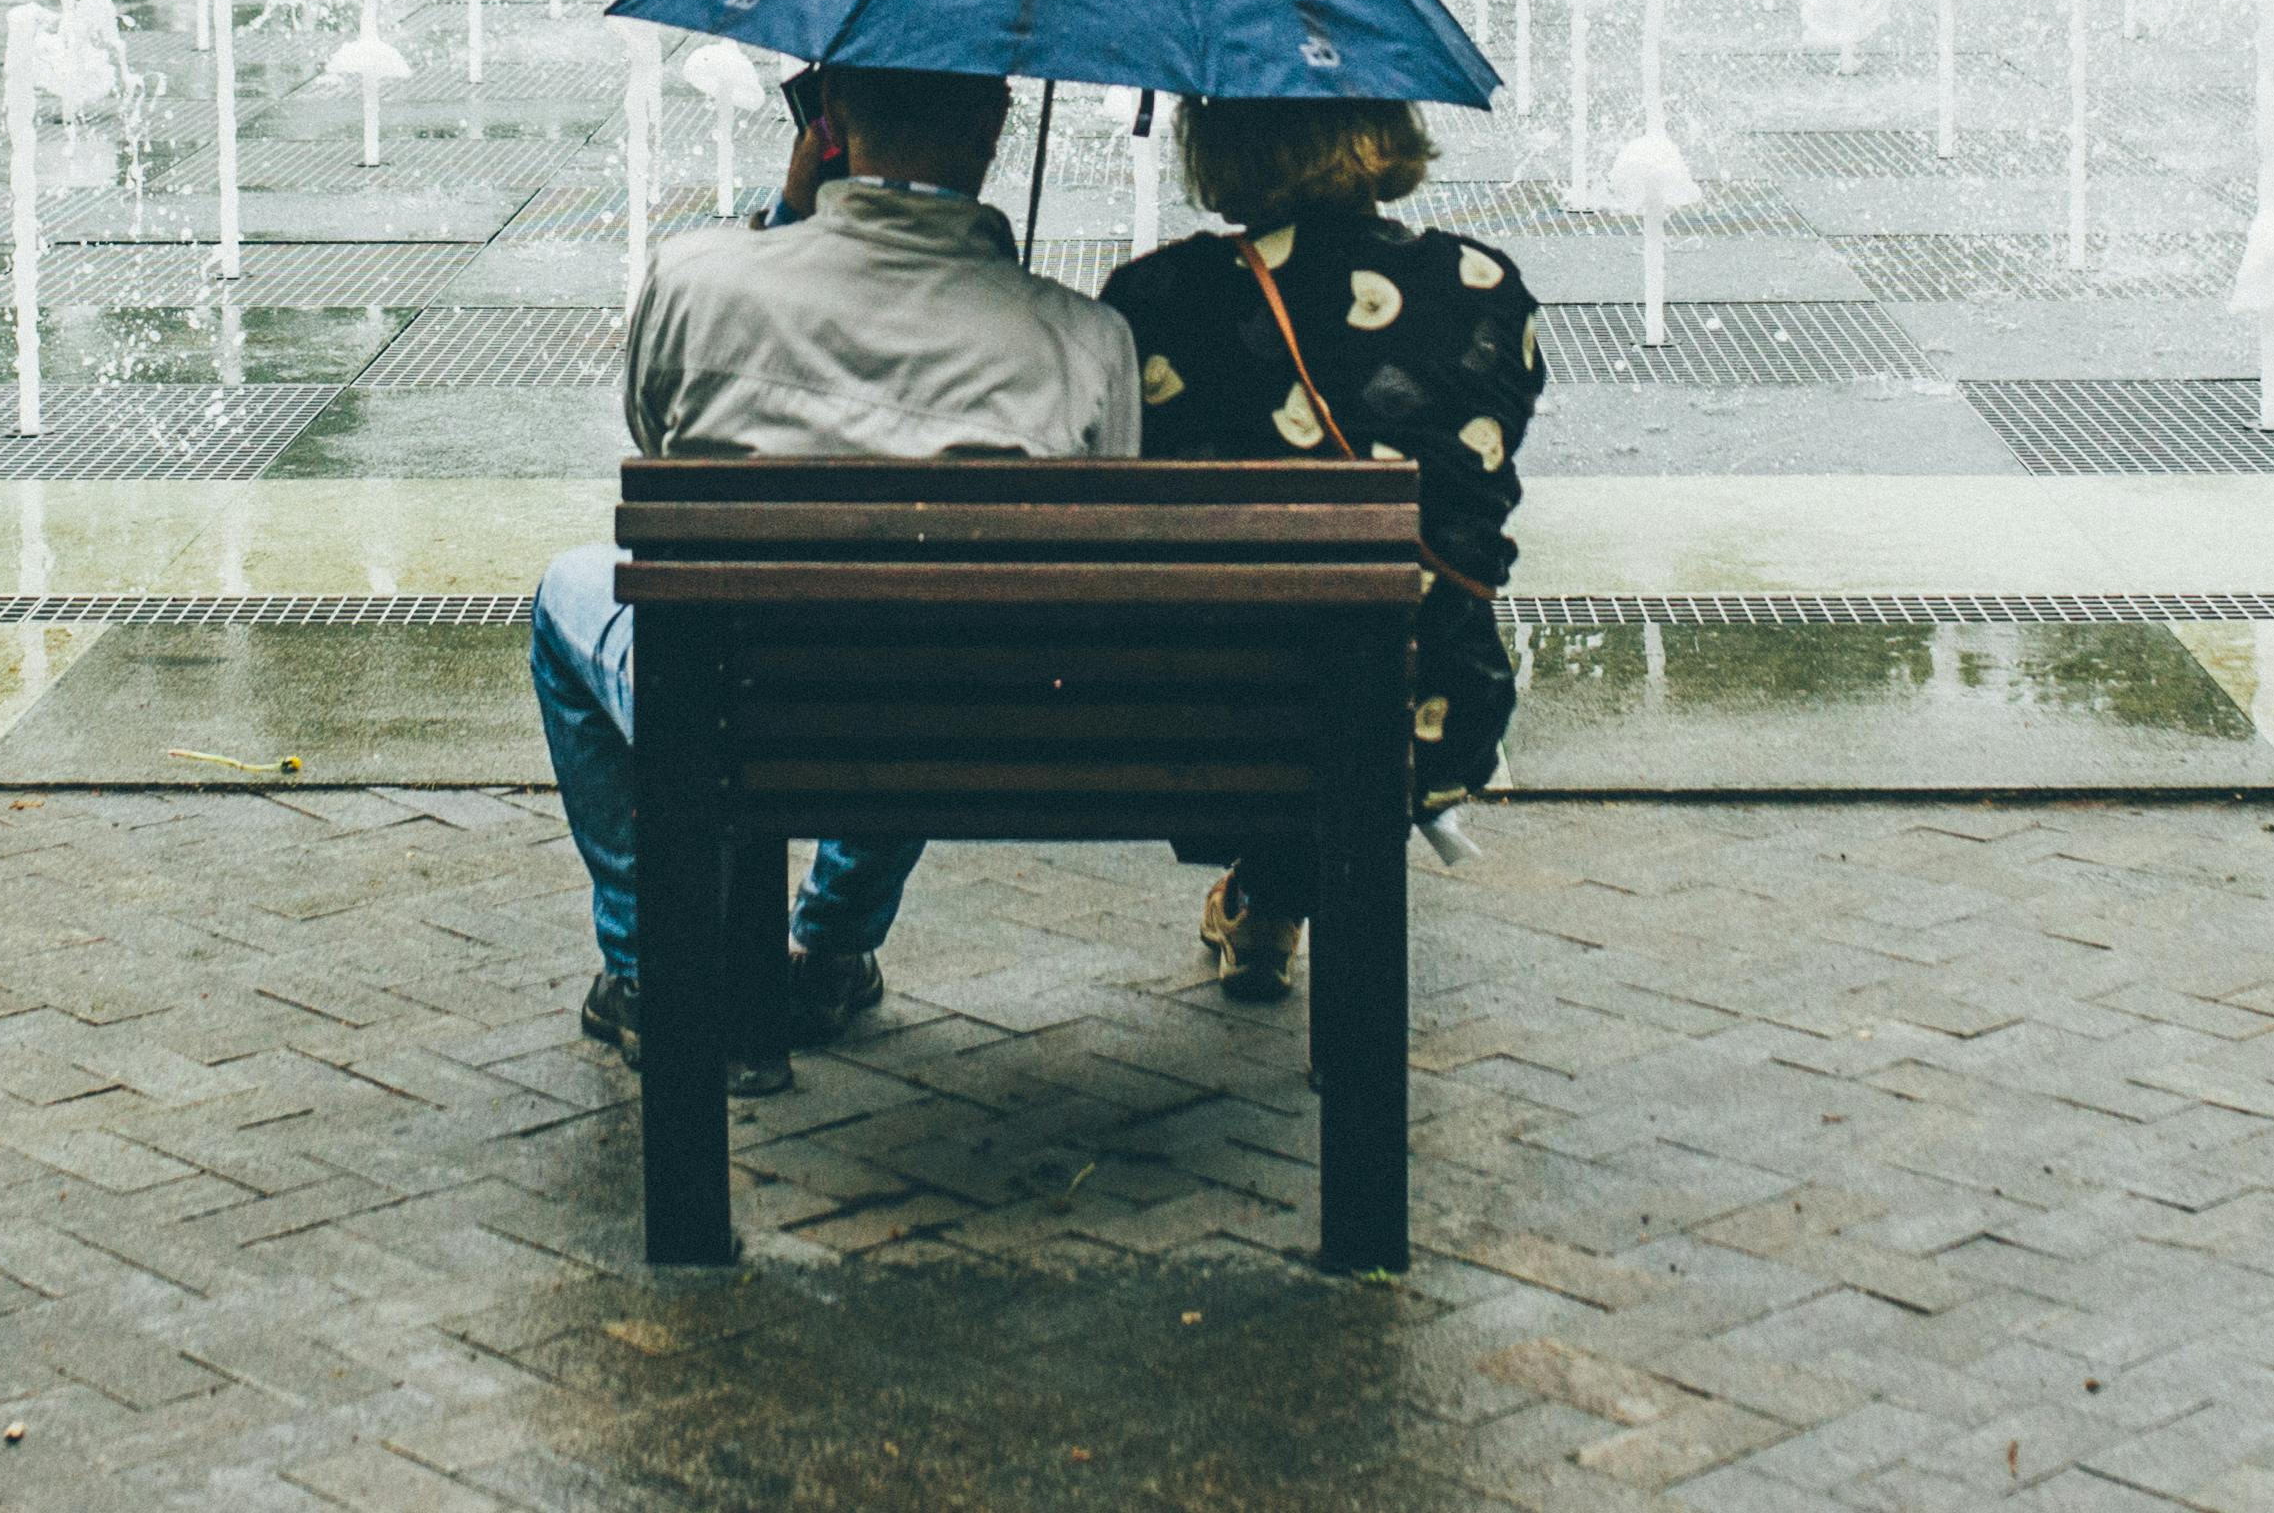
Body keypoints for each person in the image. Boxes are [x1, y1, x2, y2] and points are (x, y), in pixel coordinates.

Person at [529, 63, 1135, 1090]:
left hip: (735, 692)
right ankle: (834, 945)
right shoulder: (1085, 342)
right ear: (994, 125)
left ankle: (655, 971)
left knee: (569, 592)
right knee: (926, 630)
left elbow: (652, 431)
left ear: (831, 124)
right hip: (970, 716)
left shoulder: (695, 282)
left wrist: (782, 219)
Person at [1101, 96, 1538, 1006]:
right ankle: (1269, 898)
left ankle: (1264, 899)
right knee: (1348, 636)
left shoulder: (1158, 300)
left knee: (1271, 620)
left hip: (1196, 705)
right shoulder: (1485, 288)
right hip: (1427, 698)